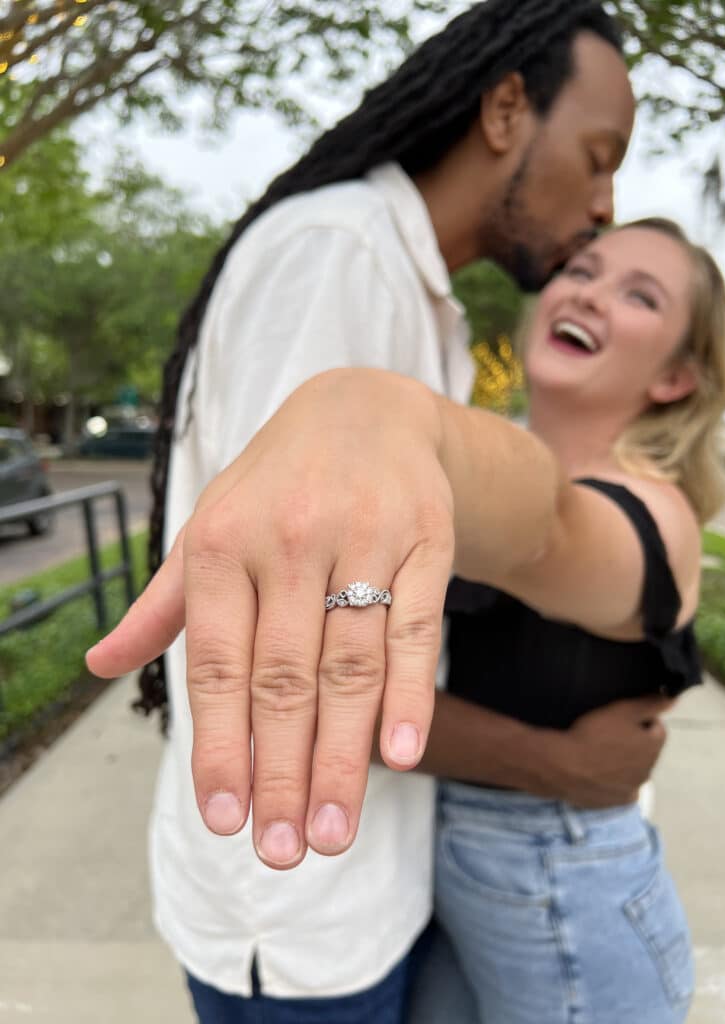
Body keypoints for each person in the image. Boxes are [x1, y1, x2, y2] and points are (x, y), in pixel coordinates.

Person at [85, 2, 655, 1019]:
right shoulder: (339, 256)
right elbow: (287, 649)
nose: (605, 202)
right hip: (302, 916)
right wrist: (559, 767)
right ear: (507, 109)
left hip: (367, 882)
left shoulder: (409, 286)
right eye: (600, 155)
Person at [96, 217, 725, 1022]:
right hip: (443, 892)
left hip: (569, 900)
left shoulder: (657, 516)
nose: (589, 293)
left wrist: (374, 406)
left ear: (677, 376)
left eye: (638, 295)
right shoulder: (482, 463)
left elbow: (548, 527)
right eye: (584, 270)